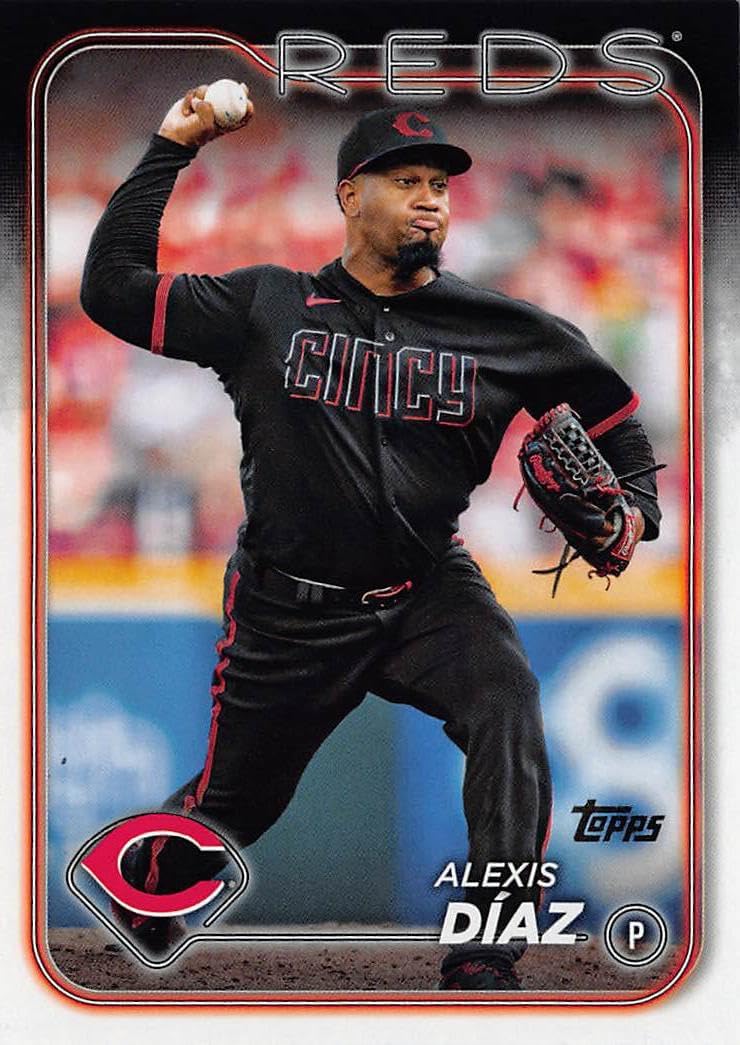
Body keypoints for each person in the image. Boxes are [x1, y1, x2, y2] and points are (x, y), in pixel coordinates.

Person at [80, 86, 661, 991]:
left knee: (506, 700)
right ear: (350, 195)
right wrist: (170, 147)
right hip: (288, 605)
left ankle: (489, 948)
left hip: (429, 586)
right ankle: (146, 888)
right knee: (232, 809)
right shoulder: (266, 305)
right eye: (406, 180)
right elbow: (111, 291)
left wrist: (637, 510)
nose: (430, 199)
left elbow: (616, 416)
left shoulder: (506, 330)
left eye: (440, 184)